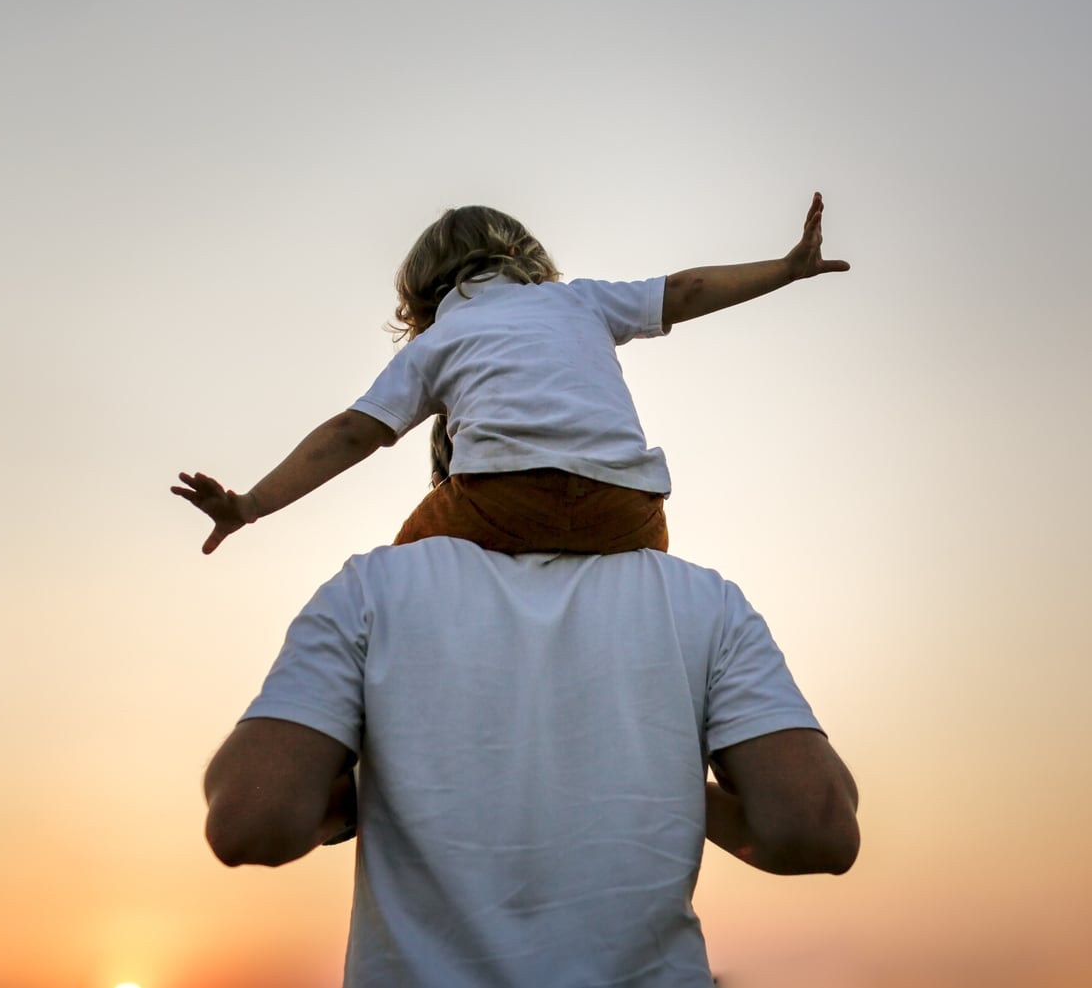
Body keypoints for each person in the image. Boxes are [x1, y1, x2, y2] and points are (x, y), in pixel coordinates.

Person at [203, 544, 860, 986]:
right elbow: (815, 825)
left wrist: (376, 787)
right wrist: (646, 773)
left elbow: (251, 819)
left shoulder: (372, 588)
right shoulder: (702, 601)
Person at [175, 193, 847, 556]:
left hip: (501, 501)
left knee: (398, 576)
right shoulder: (578, 299)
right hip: (631, 515)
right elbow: (686, 289)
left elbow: (352, 433)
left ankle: (357, 758)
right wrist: (784, 270)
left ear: (423, 289)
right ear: (526, 255)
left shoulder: (441, 337)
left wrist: (249, 505)